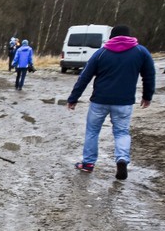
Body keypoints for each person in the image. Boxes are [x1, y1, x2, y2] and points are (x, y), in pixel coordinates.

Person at [66, 25, 155, 181]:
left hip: (99, 100)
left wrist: (73, 98)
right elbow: (149, 75)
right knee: (121, 132)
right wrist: (147, 96)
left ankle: (88, 164)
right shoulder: (141, 52)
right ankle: (122, 159)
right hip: (124, 102)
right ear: (129, 36)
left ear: (111, 37)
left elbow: (85, 76)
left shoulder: (101, 53)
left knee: (92, 131)